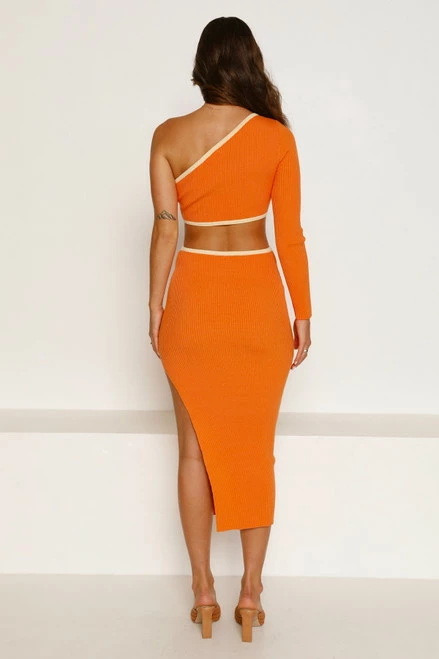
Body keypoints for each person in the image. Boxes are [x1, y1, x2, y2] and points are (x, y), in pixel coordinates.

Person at [148, 16, 312, 643]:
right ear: (249, 63)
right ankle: (250, 592)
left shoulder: (168, 136)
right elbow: (289, 234)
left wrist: (155, 306)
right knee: (254, 449)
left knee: (191, 451)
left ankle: (202, 592)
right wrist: (302, 311)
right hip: (257, 304)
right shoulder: (276, 138)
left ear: (201, 66)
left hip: (193, 300)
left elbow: (166, 228)